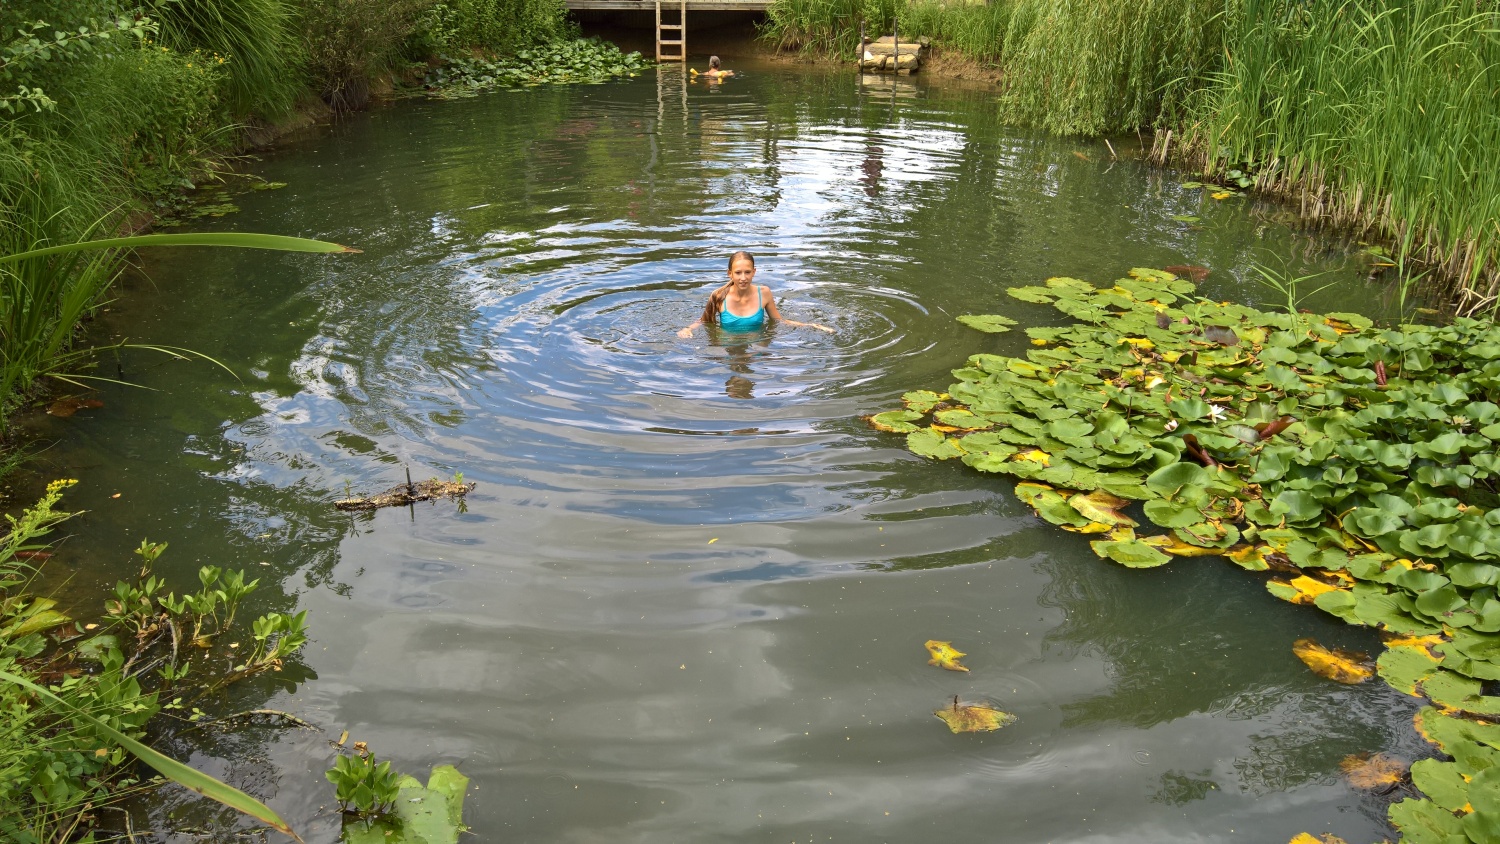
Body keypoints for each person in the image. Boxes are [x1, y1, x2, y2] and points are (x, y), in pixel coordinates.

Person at [678, 251, 833, 338]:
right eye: (738, 273)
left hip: (756, 349)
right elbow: (704, 321)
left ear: (754, 272)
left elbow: (779, 321)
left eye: (747, 272)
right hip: (727, 350)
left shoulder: (764, 293)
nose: (743, 278)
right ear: (729, 274)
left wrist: (812, 325)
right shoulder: (718, 296)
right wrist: (687, 329)